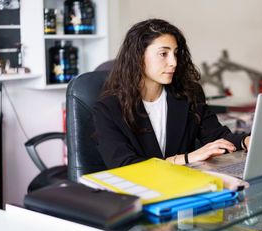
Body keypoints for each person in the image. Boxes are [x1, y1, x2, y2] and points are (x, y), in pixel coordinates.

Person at [93, 19, 250, 171]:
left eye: (175, 53)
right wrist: (186, 158)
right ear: (138, 57)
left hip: (185, 188)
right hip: (136, 193)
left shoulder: (189, 94)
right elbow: (124, 165)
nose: (173, 62)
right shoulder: (108, 108)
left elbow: (218, 138)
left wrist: (248, 141)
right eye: (163, 54)